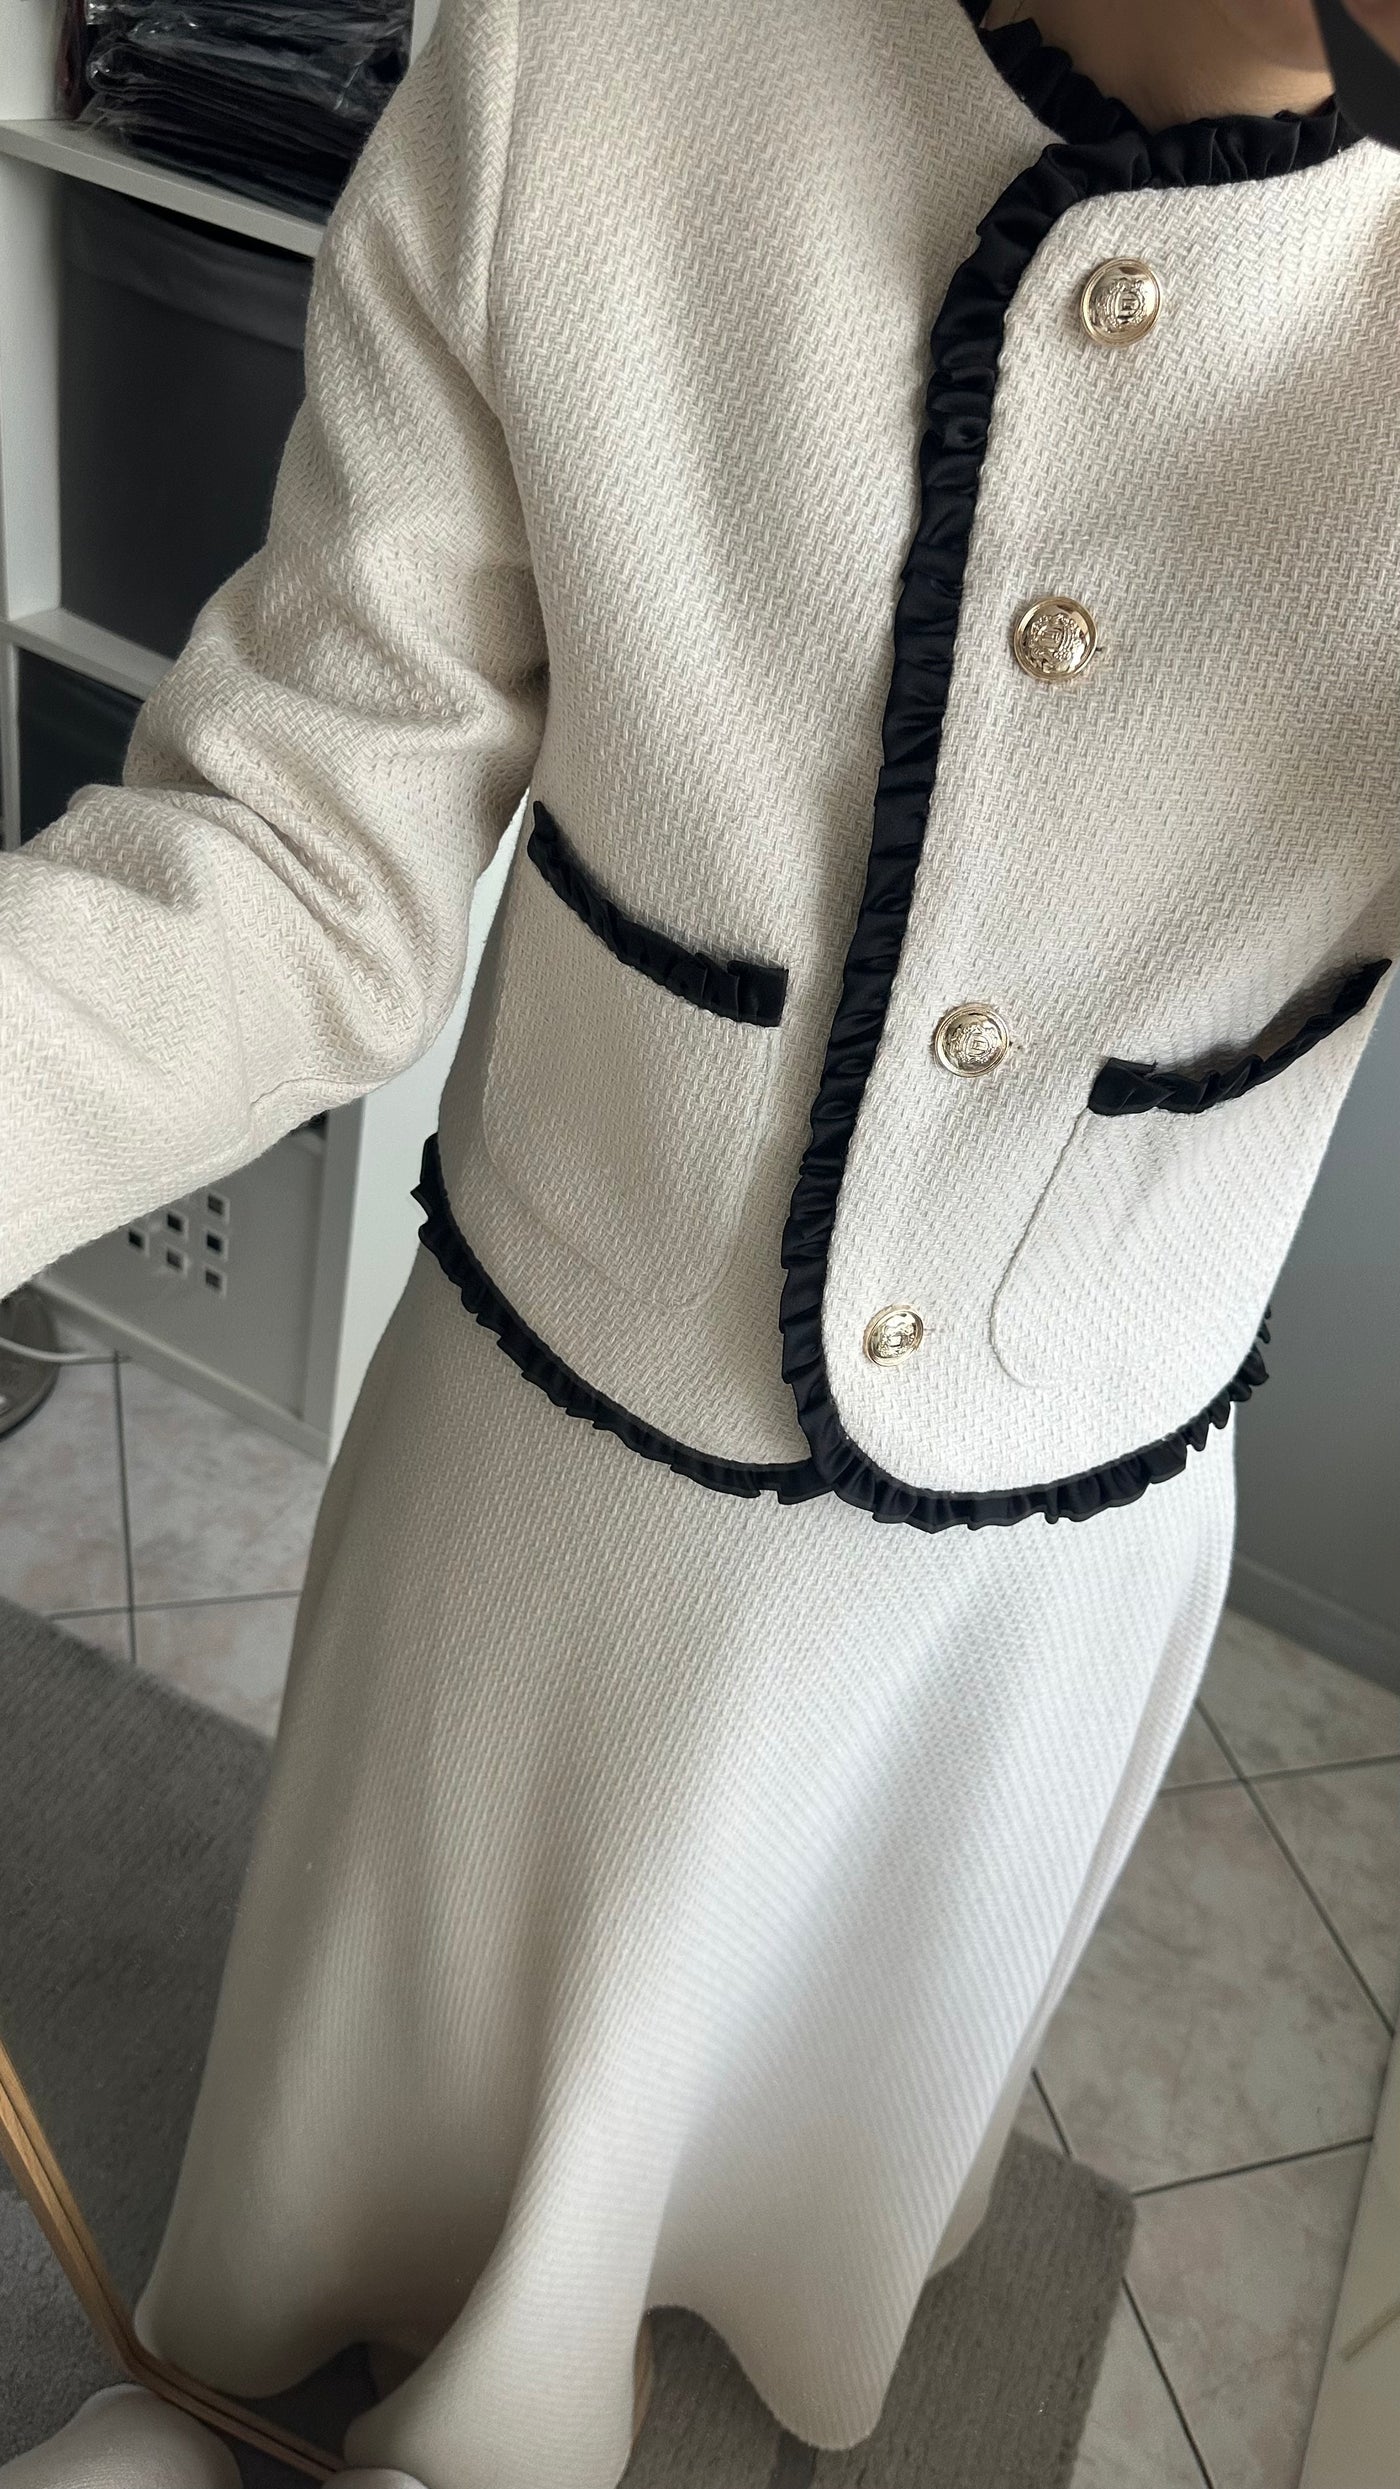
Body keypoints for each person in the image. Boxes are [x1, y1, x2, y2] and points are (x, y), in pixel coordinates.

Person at [2, 4, 1397, 2488]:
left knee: (800, 2117)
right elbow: (295, 856)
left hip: (1039, 1551)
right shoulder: (599, 54)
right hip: (551, 1454)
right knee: (407, 2129)